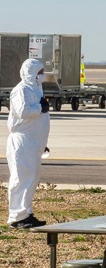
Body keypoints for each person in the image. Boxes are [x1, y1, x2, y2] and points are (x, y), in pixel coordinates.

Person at [7, 59, 50, 228]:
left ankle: (25, 212)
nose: (42, 75)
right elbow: (23, 111)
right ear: (31, 73)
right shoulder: (21, 90)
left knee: (31, 177)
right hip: (22, 141)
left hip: (33, 142)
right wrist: (40, 108)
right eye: (40, 72)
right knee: (21, 177)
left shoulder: (36, 88)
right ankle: (16, 216)